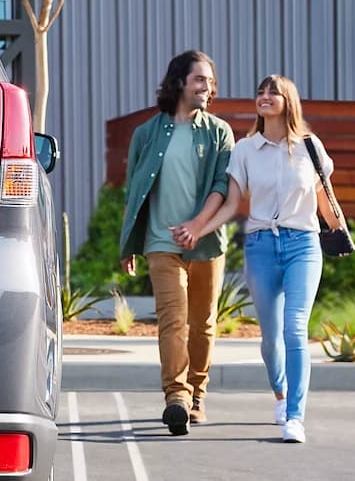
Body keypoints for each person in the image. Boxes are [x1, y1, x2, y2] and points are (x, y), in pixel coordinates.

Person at [172, 74, 330, 443]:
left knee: (295, 328)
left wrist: (342, 233)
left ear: (288, 100)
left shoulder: (310, 146)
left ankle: (295, 415)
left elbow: (325, 199)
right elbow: (231, 204)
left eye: (273, 92)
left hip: (303, 244)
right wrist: (200, 228)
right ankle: (279, 391)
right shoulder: (245, 149)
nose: (264, 96)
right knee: (271, 336)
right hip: (260, 245)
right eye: (260, 91)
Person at [117, 50, 234, 436]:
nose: (207, 87)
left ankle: (198, 394)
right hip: (160, 241)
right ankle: (176, 398)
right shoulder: (147, 133)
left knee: (203, 324)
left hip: (205, 242)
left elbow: (222, 185)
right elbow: (134, 191)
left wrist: (197, 226)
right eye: (200, 79)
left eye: (211, 81)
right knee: (173, 321)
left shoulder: (218, 132)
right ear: (180, 81)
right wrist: (128, 243)